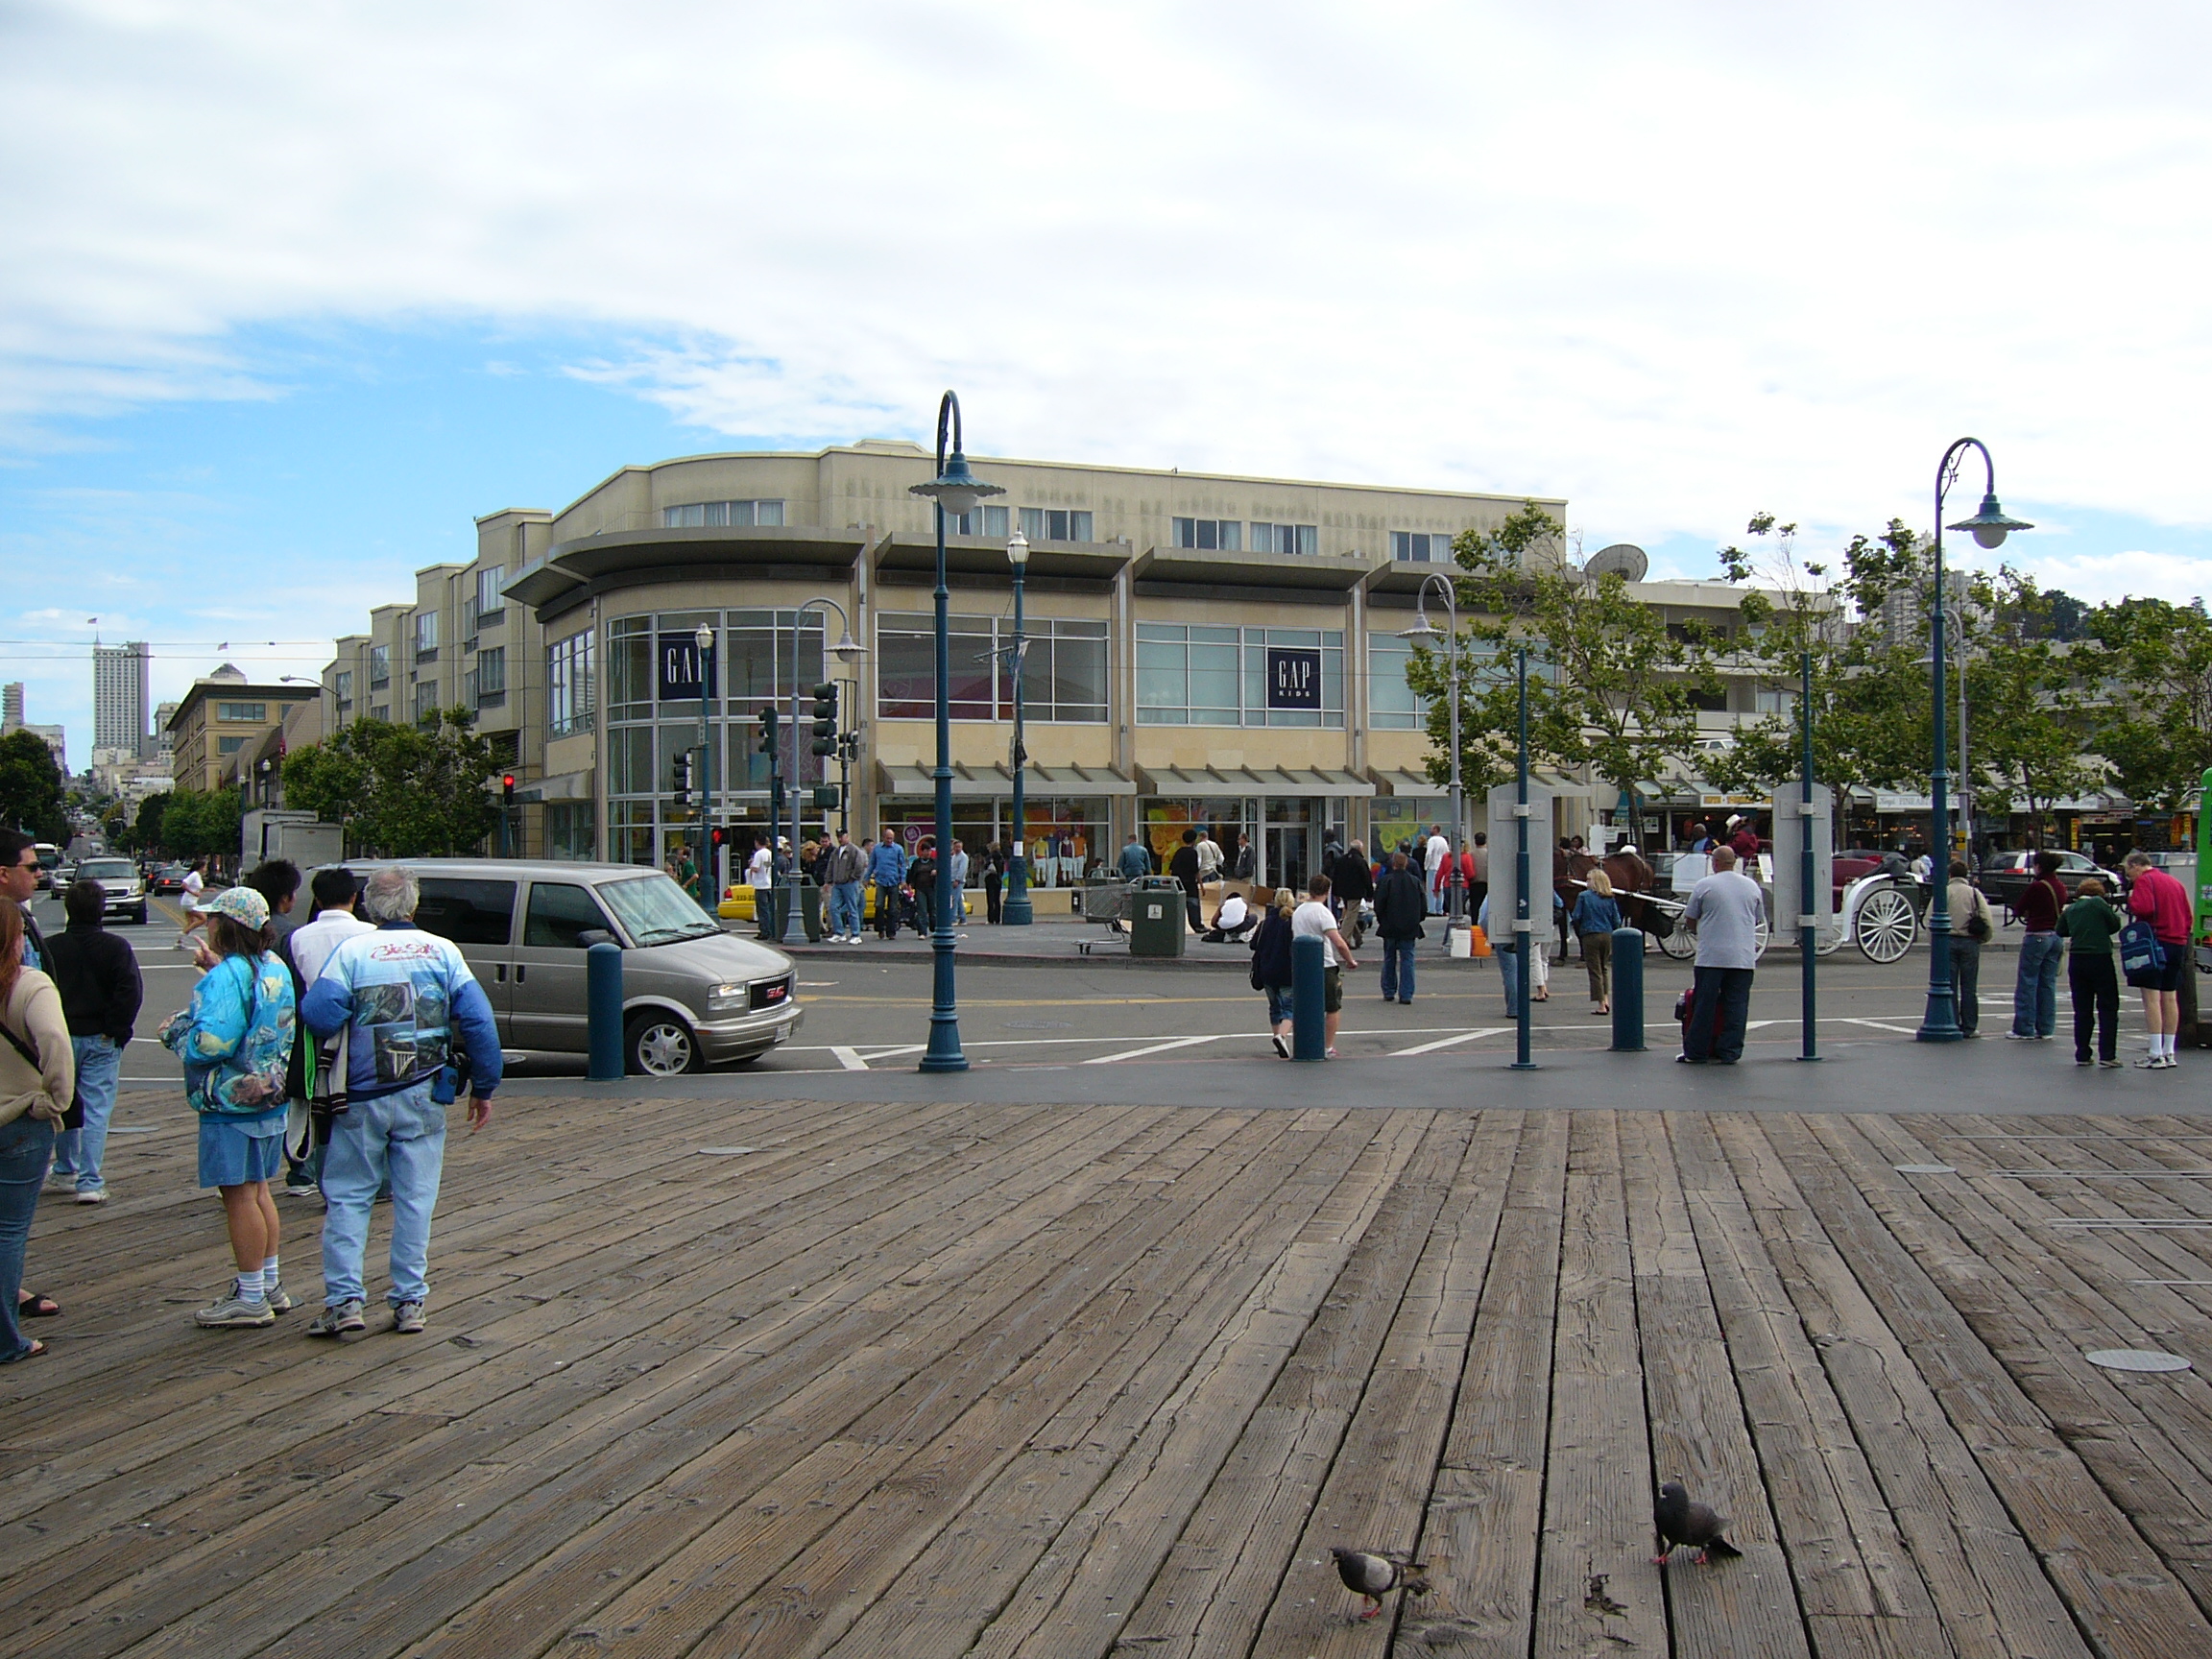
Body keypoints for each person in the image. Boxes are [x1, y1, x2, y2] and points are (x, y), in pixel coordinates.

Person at [300, 865, 501, 1336]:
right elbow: (478, 1022)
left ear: (370, 906)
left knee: (349, 1196)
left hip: (362, 1094)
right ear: (414, 904)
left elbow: (319, 1015)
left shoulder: (352, 952)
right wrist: (484, 1087)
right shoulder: (443, 951)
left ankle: (345, 1301)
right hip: (423, 1092)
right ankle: (410, 1300)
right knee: (416, 1198)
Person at [156, 886, 298, 1328]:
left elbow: (210, 1043)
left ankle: (251, 1296)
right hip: (271, 1095)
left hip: (230, 1102)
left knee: (236, 1196)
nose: (207, 925)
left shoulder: (228, 975)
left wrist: (176, 1032)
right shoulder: (274, 965)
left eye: (213, 919)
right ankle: (269, 1284)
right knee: (260, 1189)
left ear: (226, 926)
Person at [0, 898, 71, 1363]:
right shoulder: (29, 984)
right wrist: (55, 1099)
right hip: (20, 1117)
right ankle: (6, 1338)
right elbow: (55, 1040)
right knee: (8, 1231)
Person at [43, 878, 143, 1205]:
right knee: (97, 1108)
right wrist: (116, 1030)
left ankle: (66, 1167)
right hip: (101, 1036)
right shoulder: (116, 947)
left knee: (63, 1102)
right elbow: (129, 991)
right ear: (101, 910)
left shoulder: (51, 948)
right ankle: (90, 1180)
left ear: (67, 908)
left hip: (60, 1034)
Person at [285, 866, 375, 1187]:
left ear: (318, 900)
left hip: (316, 1034)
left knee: (321, 1109)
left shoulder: (298, 937)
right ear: (355, 897)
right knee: (362, 1107)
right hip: (362, 1035)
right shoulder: (370, 934)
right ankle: (372, 1181)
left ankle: (321, 1180)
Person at [243, 858, 318, 1195]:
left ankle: (244, 1172)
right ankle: (301, 1170)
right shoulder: (292, 935)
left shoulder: (241, 932)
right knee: (295, 1102)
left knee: (250, 1100)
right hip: (288, 1029)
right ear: (287, 898)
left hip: (248, 1029)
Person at [1679, 846, 1763, 1064]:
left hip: (1711, 957)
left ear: (1715, 863)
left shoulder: (1705, 885)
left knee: (1704, 1005)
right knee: (1737, 1005)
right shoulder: (1751, 886)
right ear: (1734, 862)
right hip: (1743, 957)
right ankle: (1730, 1051)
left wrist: (1701, 930)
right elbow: (1757, 918)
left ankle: (1697, 1051)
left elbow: (1690, 918)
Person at [2123, 849, 2194, 1070]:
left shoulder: (2145, 881)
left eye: (2128, 871)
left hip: (2155, 942)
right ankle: (2169, 1051)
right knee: (2170, 997)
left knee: (2151, 998)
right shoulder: (2174, 882)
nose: (2128, 876)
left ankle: (2155, 1052)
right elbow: (2188, 915)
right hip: (2177, 942)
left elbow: (2144, 908)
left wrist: (2132, 899)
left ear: (2136, 865)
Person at [2058, 876, 2124, 1069]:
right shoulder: (2098, 904)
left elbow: (2061, 930)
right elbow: (2115, 924)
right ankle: (2108, 1053)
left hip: (2077, 959)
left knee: (2082, 1009)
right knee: (2108, 1006)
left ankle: (2083, 1053)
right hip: (2100, 956)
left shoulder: (2071, 909)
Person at [1290, 873, 1358, 1057]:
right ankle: (1327, 1046)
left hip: (1302, 964)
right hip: (1324, 964)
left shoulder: (1299, 911)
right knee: (1332, 1006)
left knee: (1305, 1005)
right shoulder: (1323, 913)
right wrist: (1350, 960)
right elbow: (1338, 942)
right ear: (1327, 891)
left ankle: (1305, 1041)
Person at [2008, 851, 2067, 1042]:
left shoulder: (2037, 886)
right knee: (2047, 984)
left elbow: (2019, 908)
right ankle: (2046, 1027)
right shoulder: (2060, 886)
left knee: (2028, 982)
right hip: (2055, 935)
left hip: (2037, 934)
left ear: (2039, 866)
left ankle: (2024, 1028)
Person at [1945, 859, 1996, 1038]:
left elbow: (1930, 918)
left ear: (1950, 874)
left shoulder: (1945, 892)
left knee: (1948, 986)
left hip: (1948, 940)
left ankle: (1951, 1022)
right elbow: (1986, 918)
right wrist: (1984, 938)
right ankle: (1970, 1026)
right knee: (1969, 987)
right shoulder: (1974, 893)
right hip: (1970, 941)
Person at [1373, 851, 1427, 1006]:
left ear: (1393, 864)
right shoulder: (1415, 882)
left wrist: (1382, 920)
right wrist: (1416, 920)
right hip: (1409, 927)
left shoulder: (1385, 881)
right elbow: (1423, 906)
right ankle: (1406, 994)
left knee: (1389, 958)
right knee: (1407, 960)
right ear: (1406, 864)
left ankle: (1389, 991)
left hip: (1389, 926)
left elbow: (1379, 905)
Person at [1250, 888, 1298, 1056]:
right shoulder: (1293, 923)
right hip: (1287, 972)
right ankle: (1281, 1036)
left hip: (1266, 971)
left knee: (1274, 1006)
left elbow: (1253, 944)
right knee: (1290, 1007)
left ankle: (1276, 1035)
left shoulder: (1265, 923)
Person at [1572, 869, 1623, 1016]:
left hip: (1590, 934)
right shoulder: (1609, 897)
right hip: (1606, 934)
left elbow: (1576, 916)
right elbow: (1617, 920)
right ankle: (1606, 998)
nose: (1586, 882)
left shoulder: (1584, 896)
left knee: (1594, 970)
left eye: (1589, 879)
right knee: (1603, 968)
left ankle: (1601, 1003)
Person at [827, 829, 867, 943]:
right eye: (838, 837)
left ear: (847, 836)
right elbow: (831, 866)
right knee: (833, 907)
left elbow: (860, 865)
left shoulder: (854, 850)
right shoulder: (836, 852)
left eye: (842, 836)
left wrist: (853, 877)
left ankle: (856, 935)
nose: (840, 839)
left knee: (852, 908)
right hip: (838, 883)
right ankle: (839, 932)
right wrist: (828, 880)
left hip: (850, 883)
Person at [869, 829, 909, 939]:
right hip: (880, 880)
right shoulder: (877, 849)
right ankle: (880, 928)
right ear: (883, 838)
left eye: (891, 838)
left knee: (893, 908)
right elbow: (872, 864)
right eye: (888, 838)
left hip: (893, 881)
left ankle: (891, 932)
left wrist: (903, 880)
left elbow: (902, 865)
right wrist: (867, 878)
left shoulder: (898, 849)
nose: (890, 840)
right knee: (879, 905)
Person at [1170, 828, 1203, 933]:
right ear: (1194, 840)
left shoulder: (1179, 852)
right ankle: (1197, 925)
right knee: (1193, 905)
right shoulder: (1193, 853)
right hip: (1190, 883)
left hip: (1178, 883)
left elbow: (1172, 868)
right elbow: (1196, 871)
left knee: (1179, 906)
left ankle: (1177, 926)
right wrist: (1201, 885)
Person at [175, 859, 209, 949]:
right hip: (189, 902)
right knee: (203, 919)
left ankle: (179, 943)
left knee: (191, 922)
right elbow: (184, 885)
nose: (206, 869)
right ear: (201, 867)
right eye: (205, 867)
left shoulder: (197, 876)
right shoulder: (194, 874)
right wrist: (193, 893)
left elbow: (196, 888)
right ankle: (182, 933)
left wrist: (208, 890)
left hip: (189, 901)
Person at [909, 837, 940, 930]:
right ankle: (922, 931)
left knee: (933, 909)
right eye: (926, 851)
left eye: (929, 851)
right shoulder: (916, 863)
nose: (928, 853)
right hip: (920, 888)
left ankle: (934, 928)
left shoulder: (934, 862)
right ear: (922, 852)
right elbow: (911, 874)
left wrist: (936, 872)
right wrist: (910, 884)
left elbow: (941, 872)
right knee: (921, 910)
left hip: (931, 888)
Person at [1425, 825, 1452, 914]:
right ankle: (1439, 909)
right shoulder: (1443, 840)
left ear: (1436, 830)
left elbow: (1429, 853)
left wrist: (1426, 865)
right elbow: (1447, 853)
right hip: (1441, 866)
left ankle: (1432, 909)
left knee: (1431, 889)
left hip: (1432, 866)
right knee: (1440, 888)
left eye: (1431, 828)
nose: (1430, 830)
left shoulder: (1432, 840)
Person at [1466, 832, 1489, 924]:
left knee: (1475, 906)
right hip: (1487, 883)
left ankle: (1475, 924)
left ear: (1475, 841)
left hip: (1474, 883)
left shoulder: (1471, 854)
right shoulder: (1489, 854)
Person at [983, 842, 1004, 925]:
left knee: (990, 899)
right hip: (998, 879)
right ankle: (997, 918)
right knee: (997, 899)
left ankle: (991, 918)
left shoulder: (989, 857)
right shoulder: (1001, 857)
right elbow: (1002, 870)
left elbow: (985, 867)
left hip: (990, 879)